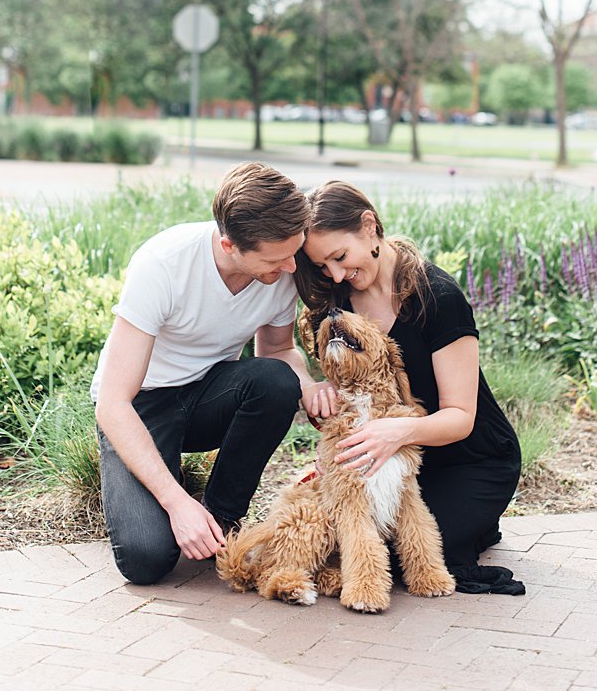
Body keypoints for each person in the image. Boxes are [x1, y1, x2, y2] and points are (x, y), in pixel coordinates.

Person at [92, 162, 338, 585]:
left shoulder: (280, 267)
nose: (291, 268)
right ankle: (173, 499)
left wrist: (309, 384)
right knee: (147, 561)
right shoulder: (163, 264)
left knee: (278, 383)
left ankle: (219, 518)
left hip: (209, 394)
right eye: (276, 259)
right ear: (229, 245)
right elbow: (113, 403)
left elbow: (278, 350)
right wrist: (175, 503)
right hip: (142, 408)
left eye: (292, 253)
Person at [294, 181, 526, 596]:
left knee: (412, 556)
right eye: (322, 265)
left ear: (369, 226)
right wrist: (322, 403)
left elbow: (461, 417)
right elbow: (351, 390)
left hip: (469, 455)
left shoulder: (437, 296)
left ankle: (477, 519)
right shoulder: (338, 300)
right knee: (349, 532)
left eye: (340, 257)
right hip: (393, 458)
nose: (335, 274)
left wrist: (398, 431)